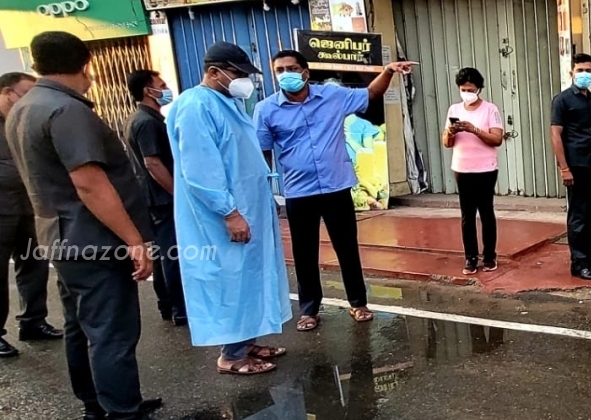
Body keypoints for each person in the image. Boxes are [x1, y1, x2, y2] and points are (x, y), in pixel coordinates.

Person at [5, 31, 193, 420]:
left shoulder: (24, 107)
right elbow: (89, 183)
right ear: (85, 63)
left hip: (60, 238)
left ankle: (99, 406)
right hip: (93, 241)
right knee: (112, 333)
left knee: (80, 328)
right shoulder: (66, 110)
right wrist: (134, 239)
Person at [253, 50, 416, 331]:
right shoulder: (266, 109)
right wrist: (262, 190)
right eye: (279, 70)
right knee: (304, 254)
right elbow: (263, 152)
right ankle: (309, 310)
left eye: (291, 68)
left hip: (336, 187)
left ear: (305, 72)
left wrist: (388, 71)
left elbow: (370, 94)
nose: (285, 74)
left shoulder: (332, 96)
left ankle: (358, 302)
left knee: (347, 248)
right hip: (298, 192)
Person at [166, 41, 291, 376]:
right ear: (214, 72)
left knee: (250, 276)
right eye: (237, 74)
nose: (243, 81)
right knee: (231, 278)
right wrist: (229, 212)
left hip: (248, 208)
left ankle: (246, 341)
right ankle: (231, 355)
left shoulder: (228, 102)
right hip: (223, 216)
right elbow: (201, 168)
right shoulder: (196, 106)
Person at [0, 72, 64, 357]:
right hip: (2, 210)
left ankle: (33, 321)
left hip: (29, 208)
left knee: (34, 266)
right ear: (6, 92)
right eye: (25, 93)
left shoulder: (24, 121)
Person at [123, 69, 187, 327]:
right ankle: (180, 308)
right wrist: (177, 194)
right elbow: (153, 163)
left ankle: (168, 305)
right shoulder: (146, 122)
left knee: (164, 254)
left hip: (155, 197)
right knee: (173, 255)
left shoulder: (145, 118)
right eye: (161, 85)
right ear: (149, 91)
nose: (166, 88)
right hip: (161, 198)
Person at [550, 53, 591, 280]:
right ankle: (578, 263)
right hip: (575, 164)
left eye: (589, 71)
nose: (585, 74)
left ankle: (590, 256)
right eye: (580, 70)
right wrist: (564, 168)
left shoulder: (590, 101)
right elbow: (556, 136)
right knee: (578, 215)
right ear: (571, 73)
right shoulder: (562, 100)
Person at [440, 67, 504, 275]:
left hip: (485, 169)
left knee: (486, 212)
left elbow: (496, 139)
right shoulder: (454, 110)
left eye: (471, 89)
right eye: (463, 89)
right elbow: (447, 143)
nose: (467, 93)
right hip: (462, 168)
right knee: (467, 215)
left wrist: (473, 129)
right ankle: (470, 257)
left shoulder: (490, 109)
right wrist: (451, 131)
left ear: (479, 89)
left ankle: (489, 256)